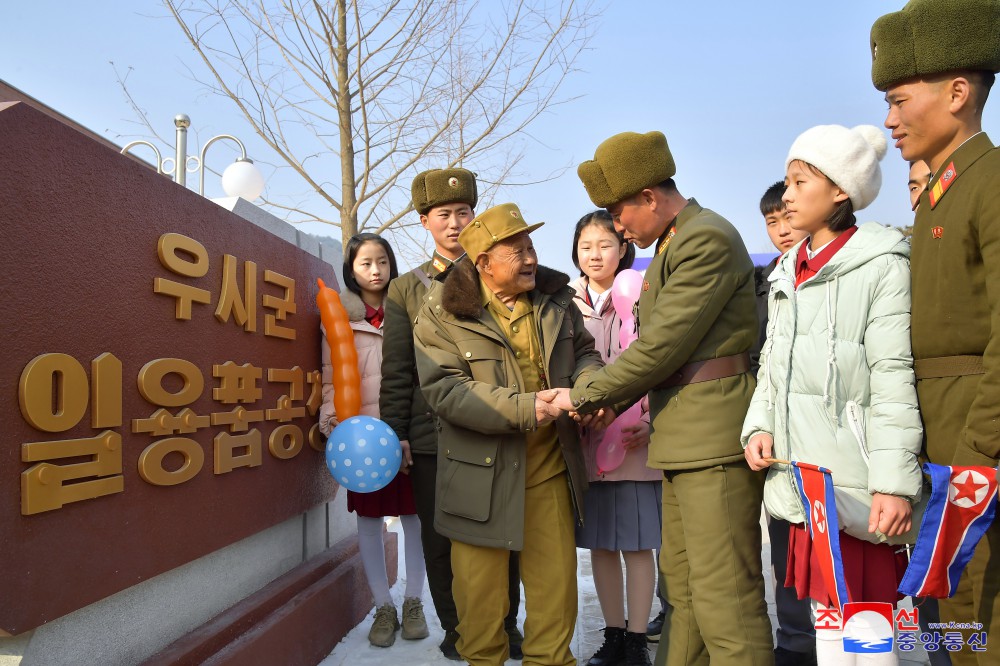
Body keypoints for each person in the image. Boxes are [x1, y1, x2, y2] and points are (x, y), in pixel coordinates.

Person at [554, 131, 773, 666]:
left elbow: (662, 344)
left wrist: (589, 393)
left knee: (725, 598)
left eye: (618, 213)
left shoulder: (705, 239)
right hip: (682, 436)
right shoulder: (675, 243)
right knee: (685, 594)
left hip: (710, 436)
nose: (617, 227)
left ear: (650, 196)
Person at [742, 124, 923, 666]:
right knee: (824, 616)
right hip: (803, 479)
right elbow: (772, 369)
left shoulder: (882, 264)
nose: (788, 195)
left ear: (841, 191)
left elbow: (894, 378)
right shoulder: (786, 274)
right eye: (787, 182)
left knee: (868, 622)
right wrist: (758, 426)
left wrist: (893, 482)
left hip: (858, 481)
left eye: (801, 182)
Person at [413, 203, 604, 666]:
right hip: (478, 479)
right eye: (516, 251)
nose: (531, 258)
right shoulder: (440, 312)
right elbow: (446, 391)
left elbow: (585, 353)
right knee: (479, 611)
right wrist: (529, 407)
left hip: (549, 470)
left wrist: (591, 391)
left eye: (531, 246)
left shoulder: (557, 300)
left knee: (555, 599)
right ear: (484, 264)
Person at [871, 3, 1000, 661]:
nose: (889, 120)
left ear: (956, 94)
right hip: (944, 447)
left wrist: (980, 450)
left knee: (985, 615)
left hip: (979, 452)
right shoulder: (941, 196)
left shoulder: (992, 183)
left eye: (899, 101)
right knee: (954, 623)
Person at [379, 168, 524, 660]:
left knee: (500, 533)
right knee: (440, 542)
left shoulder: (496, 275)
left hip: (493, 428)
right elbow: (397, 369)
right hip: (431, 434)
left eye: (465, 212)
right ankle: (458, 629)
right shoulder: (405, 289)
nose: (457, 223)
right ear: (425, 221)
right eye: (445, 214)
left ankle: (506, 625)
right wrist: (397, 432)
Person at [319, 233, 429, 648]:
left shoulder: (412, 311)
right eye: (365, 263)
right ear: (351, 269)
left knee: (415, 518)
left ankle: (414, 602)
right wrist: (331, 420)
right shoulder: (338, 319)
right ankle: (384, 606)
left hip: (408, 435)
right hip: (362, 440)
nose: (375, 270)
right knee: (369, 521)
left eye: (382, 261)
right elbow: (328, 374)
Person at [569, 210, 658, 666]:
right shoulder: (566, 304)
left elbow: (661, 361)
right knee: (601, 545)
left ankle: (639, 639)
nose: (595, 254)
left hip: (633, 442)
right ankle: (614, 635)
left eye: (605, 244)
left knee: (638, 545)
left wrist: (651, 420)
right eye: (586, 246)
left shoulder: (646, 293)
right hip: (588, 444)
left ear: (624, 247)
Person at [751, 182, 815, 666]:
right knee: (784, 546)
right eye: (771, 223)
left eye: (786, 218)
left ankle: (843, 640)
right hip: (776, 435)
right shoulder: (762, 281)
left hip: (827, 433)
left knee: (838, 545)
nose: (781, 230)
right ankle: (795, 641)